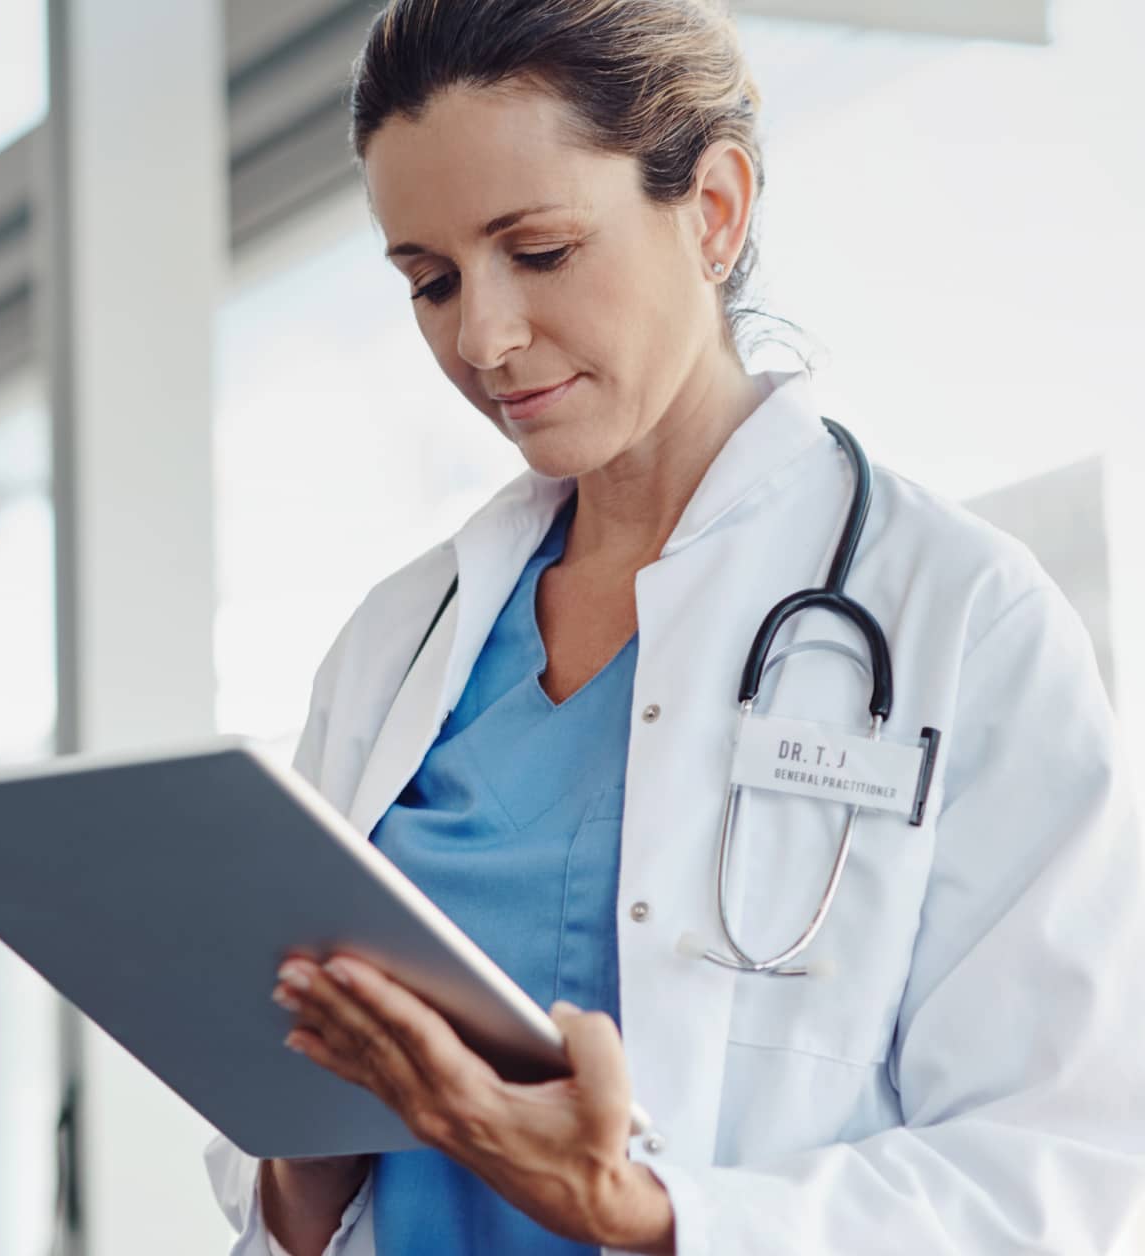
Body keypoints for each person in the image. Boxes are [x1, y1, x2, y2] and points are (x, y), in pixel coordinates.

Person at [206, 0, 1145, 1252]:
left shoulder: (959, 615)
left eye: (536, 251)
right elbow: (291, 1166)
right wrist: (299, 1179)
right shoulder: (401, 642)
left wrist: (650, 1216)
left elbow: (1052, 1172)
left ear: (712, 210)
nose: (481, 337)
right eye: (429, 281)